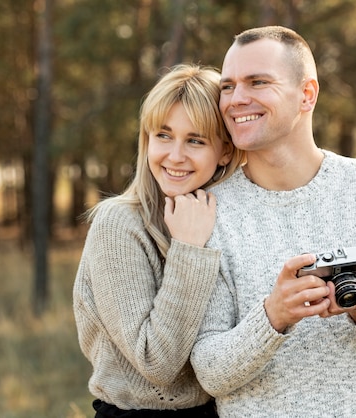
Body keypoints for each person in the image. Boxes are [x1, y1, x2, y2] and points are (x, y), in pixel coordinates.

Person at [189, 26, 356, 417]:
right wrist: (273, 316)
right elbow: (209, 371)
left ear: (307, 94)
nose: (237, 99)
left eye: (258, 82)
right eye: (228, 86)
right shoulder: (210, 210)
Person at [73, 63, 244, 417]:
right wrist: (188, 251)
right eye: (163, 135)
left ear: (225, 151)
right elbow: (157, 363)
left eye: (195, 140)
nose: (175, 156)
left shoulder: (226, 221)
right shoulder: (119, 224)